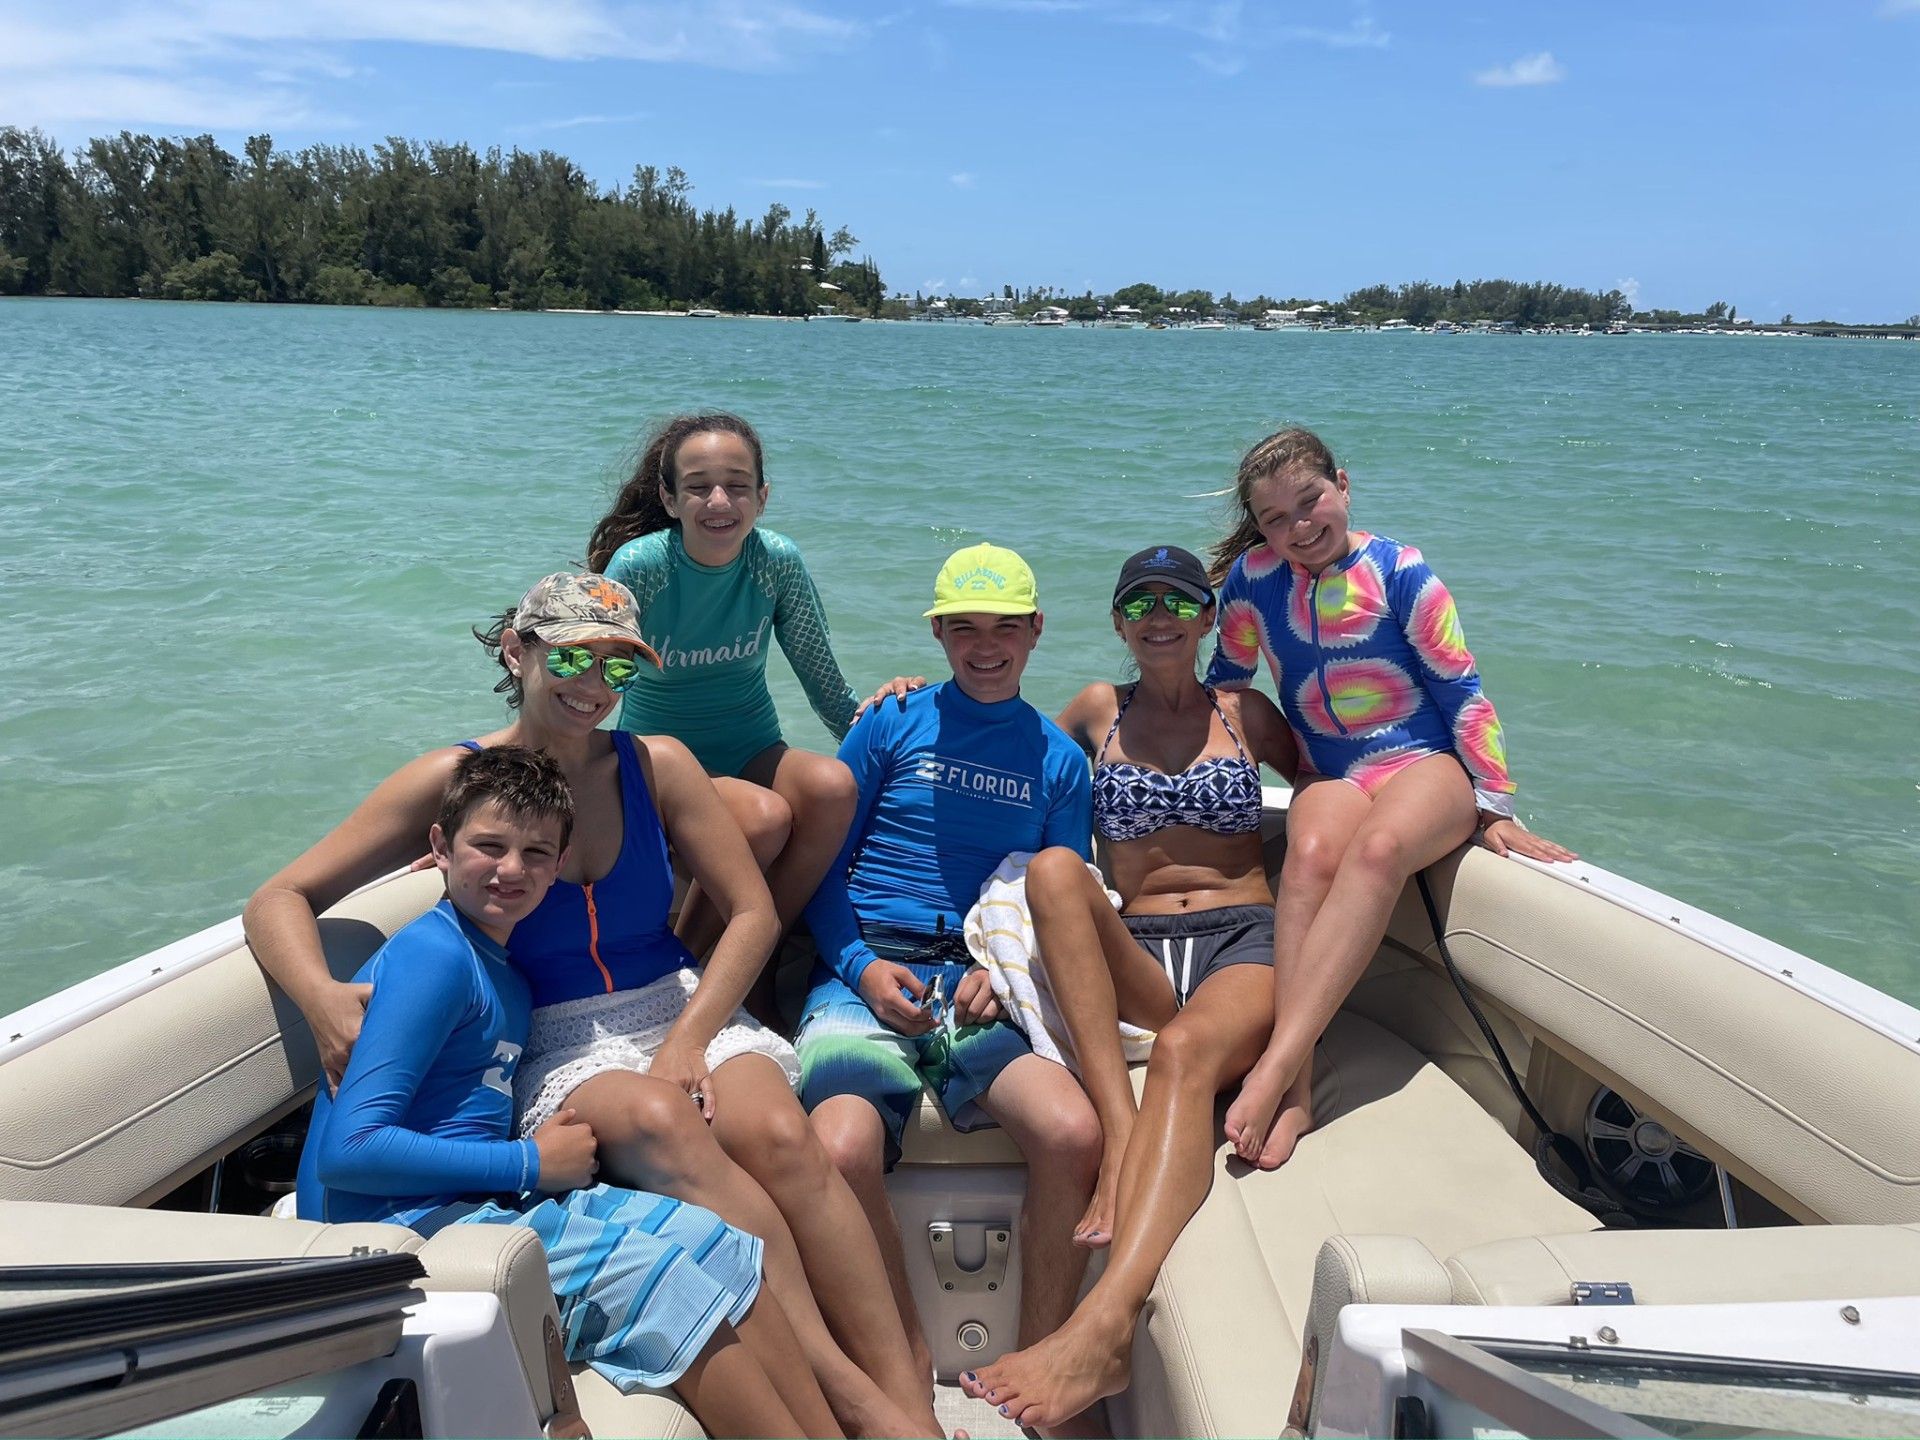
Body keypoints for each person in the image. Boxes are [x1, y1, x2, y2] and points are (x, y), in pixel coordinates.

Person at [247, 572, 937, 1439]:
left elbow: (754, 912)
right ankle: (854, 1401)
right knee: (656, 1118)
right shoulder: (458, 780)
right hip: (557, 1035)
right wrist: (320, 999)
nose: (593, 686)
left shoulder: (658, 765)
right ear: (518, 652)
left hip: (680, 1000)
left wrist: (691, 1037)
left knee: (780, 1136)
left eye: (618, 667)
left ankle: (911, 1404)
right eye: (571, 655)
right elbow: (280, 896)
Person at [299, 745, 841, 1439]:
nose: (510, 870)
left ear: (560, 867)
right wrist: (530, 1164)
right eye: (488, 846)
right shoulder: (435, 958)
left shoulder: (505, 972)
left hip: (468, 1207)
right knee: (667, 1282)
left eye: (535, 854)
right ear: (439, 845)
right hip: (397, 1241)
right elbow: (349, 1152)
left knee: (716, 1239)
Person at [954, 545, 1299, 1431]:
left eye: (1178, 602)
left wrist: (1476, 801)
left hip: (1240, 940)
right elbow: (991, 739)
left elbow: (1339, 795)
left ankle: (1105, 1327)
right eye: (1139, 602)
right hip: (1139, 949)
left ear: (1207, 617)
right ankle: (1118, 1129)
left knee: (1185, 1052)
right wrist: (903, 697)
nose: (1158, 615)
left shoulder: (1246, 713)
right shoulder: (1095, 712)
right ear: (1116, 621)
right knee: (1063, 869)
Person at [1202, 426, 1575, 1174]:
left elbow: (1461, 690)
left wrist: (1494, 803)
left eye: (1311, 502)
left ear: (1343, 483)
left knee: (1375, 853)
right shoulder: (1253, 579)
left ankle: (1276, 1065)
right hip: (1331, 767)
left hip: (1422, 761)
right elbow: (1226, 681)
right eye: (1276, 519)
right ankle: (1300, 1089)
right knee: (1307, 858)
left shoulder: (1402, 573)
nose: (1299, 527)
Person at [798, 542, 1105, 1391]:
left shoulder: (1058, 759)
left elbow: (1061, 903)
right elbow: (824, 864)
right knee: (841, 1141)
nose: (985, 644)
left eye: (1005, 626)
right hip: (867, 969)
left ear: (1037, 630)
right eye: (963, 626)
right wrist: (858, 965)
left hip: (981, 983)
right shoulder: (888, 721)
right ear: (937, 631)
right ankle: (905, 1360)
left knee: (1073, 1132)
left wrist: (1006, 975)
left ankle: (1037, 1358)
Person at [586, 413, 880, 958]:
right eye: (698, 487)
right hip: (661, 761)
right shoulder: (642, 566)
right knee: (762, 816)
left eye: (737, 486)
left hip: (752, 747)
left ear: (762, 497)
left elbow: (823, 682)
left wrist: (891, 721)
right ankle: (689, 968)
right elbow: (588, 684)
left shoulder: (776, 561)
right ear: (670, 499)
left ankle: (756, 963)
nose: (719, 501)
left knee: (833, 787)